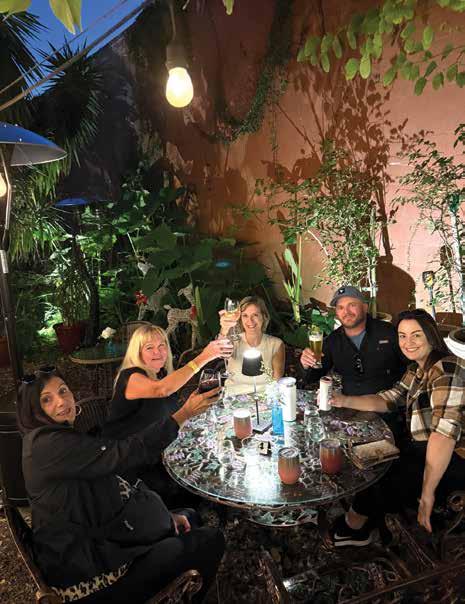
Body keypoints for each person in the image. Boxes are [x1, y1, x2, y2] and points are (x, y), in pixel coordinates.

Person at [18, 368, 225, 603]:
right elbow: (125, 453)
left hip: (101, 544)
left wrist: (164, 518)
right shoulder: (48, 446)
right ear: (33, 411)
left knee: (189, 516)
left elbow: (111, 487)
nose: (61, 401)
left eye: (63, 391)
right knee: (211, 540)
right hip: (93, 577)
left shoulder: (53, 439)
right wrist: (184, 414)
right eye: (47, 399)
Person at [328, 309, 465, 547]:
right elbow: (389, 399)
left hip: (453, 458)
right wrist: (342, 400)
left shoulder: (447, 369)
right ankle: (368, 518)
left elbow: (443, 436)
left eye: (416, 335)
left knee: (383, 475)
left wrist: (427, 494)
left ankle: (355, 528)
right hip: (423, 448)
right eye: (402, 336)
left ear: (431, 336)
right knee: (371, 458)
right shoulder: (418, 368)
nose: (407, 342)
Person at [103, 325, 232, 500]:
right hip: (129, 461)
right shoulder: (130, 377)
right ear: (137, 353)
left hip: (158, 448)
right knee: (198, 477)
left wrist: (225, 328)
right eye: (149, 348)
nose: (158, 352)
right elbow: (161, 390)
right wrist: (204, 356)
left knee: (217, 458)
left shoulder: (162, 374)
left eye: (162, 345)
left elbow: (168, 409)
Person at [300, 285, 406, 395]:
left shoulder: (388, 332)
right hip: (349, 402)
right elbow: (313, 376)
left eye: (352, 305)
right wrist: (305, 364)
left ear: (365, 307)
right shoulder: (333, 340)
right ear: (336, 312)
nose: (346, 311)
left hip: (388, 401)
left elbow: (410, 366)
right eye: (340, 307)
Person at [218, 295, 285, 394]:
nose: (250, 321)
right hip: (233, 397)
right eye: (245, 316)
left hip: (264, 398)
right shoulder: (233, 341)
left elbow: (276, 382)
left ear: (264, 317)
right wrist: (224, 328)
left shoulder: (276, 344)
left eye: (255, 315)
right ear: (240, 318)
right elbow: (220, 351)